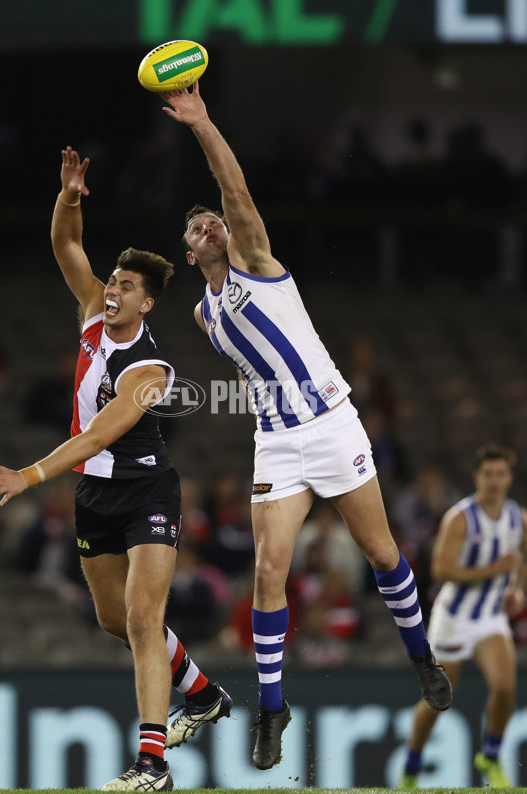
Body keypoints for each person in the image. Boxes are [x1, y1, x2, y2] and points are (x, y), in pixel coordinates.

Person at [160, 82, 452, 771]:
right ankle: (271, 707)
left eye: (215, 222)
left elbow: (234, 191)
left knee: (382, 554)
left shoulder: (256, 262)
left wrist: (202, 124)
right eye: (195, 225)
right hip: (278, 442)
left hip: (333, 425)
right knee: (268, 572)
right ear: (186, 245)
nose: (208, 226)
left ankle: (421, 657)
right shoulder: (204, 313)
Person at [0, 147, 232, 792]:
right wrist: (69, 196)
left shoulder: (148, 372)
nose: (111, 288)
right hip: (96, 497)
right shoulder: (92, 313)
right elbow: (66, 245)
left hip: (147, 490)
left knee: (144, 619)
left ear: (146, 306)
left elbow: (94, 438)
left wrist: (27, 477)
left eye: (125, 286)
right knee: (113, 622)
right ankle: (201, 694)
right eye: (112, 280)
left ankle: (152, 766)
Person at [399, 444, 527, 789]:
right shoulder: (461, 517)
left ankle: (491, 755)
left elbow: (523, 558)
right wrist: (493, 570)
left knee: (504, 688)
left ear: (509, 478)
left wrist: (518, 589)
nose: (495, 481)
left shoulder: (519, 517)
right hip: (453, 619)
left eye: (501, 474)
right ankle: (411, 765)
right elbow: (440, 569)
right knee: (438, 701)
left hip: (490, 618)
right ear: (477, 478)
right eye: (488, 474)